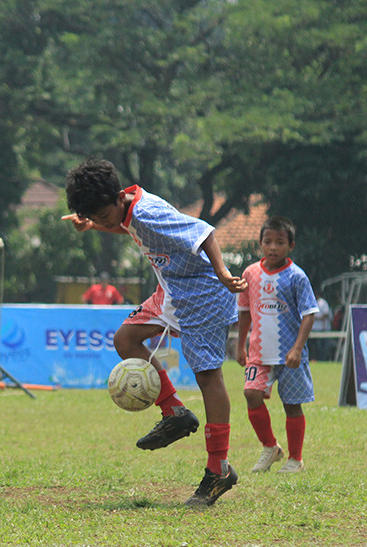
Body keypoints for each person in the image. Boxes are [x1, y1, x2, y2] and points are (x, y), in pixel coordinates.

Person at [65, 158, 247, 509]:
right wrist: (96, 225)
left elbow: (203, 231)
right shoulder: (127, 209)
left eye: (104, 215)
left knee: (208, 376)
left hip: (202, 292)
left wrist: (223, 273)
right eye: (97, 217)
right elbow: (126, 227)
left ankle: (219, 469)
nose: (105, 221)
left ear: (117, 197)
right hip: (172, 290)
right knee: (126, 339)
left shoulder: (147, 213)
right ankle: (175, 411)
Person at [236, 216, 319, 474]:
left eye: (280, 242)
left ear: (291, 245)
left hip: (289, 356)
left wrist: (297, 349)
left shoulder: (297, 276)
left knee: (291, 405)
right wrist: (240, 345)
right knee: (251, 394)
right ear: (260, 243)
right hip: (259, 353)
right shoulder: (250, 273)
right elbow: (244, 311)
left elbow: (309, 314)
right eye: (268, 241)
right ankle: (270, 447)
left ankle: (295, 459)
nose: (273, 247)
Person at [311, 290, 333, 361]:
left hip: (322, 329)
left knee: (322, 347)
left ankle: (322, 359)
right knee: (314, 346)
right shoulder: (312, 302)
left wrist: (317, 318)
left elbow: (326, 314)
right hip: (314, 329)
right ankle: (314, 359)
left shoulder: (322, 302)